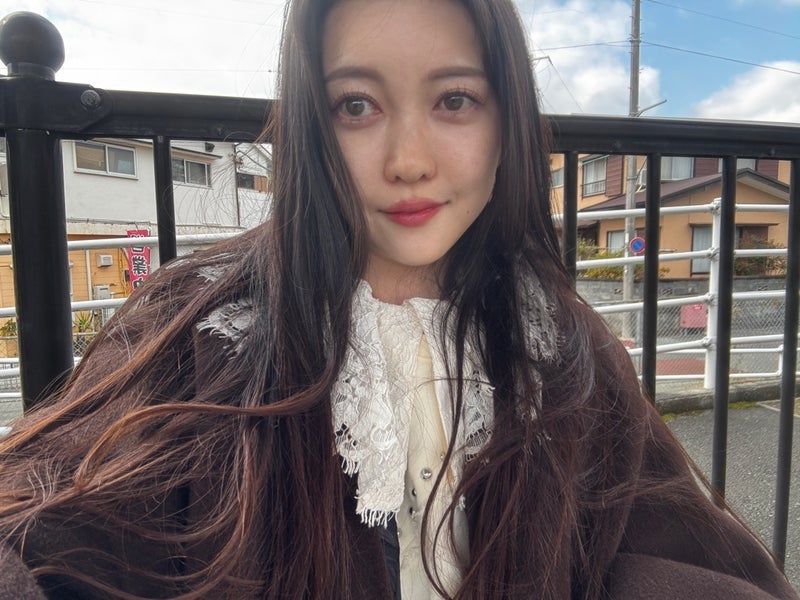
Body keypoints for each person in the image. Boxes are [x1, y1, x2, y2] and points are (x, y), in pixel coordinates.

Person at [0, 0, 796, 598]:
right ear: (312, 123)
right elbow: (45, 530)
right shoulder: (206, 328)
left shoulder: (557, 338)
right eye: (356, 105)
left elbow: (678, 551)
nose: (408, 159)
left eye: (455, 100)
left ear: (506, 119)